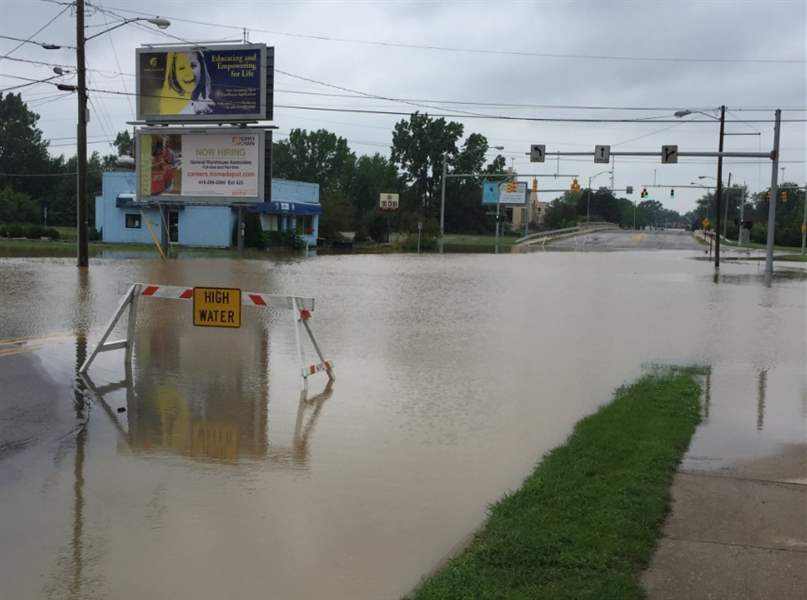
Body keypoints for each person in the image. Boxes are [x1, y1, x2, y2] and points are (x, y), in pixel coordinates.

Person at [158, 50, 215, 116]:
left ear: (201, 68)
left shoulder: (210, 106)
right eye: (181, 68)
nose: (188, 74)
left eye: (193, 66)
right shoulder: (168, 107)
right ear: (174, 73)